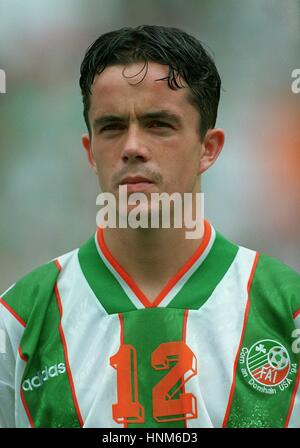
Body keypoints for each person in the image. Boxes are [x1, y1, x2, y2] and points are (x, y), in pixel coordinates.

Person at [0, 25, 299, 429]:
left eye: (159, 124)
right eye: (112, 126)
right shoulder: (17, 319)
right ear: (90, 151)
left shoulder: (287, 310)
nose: (132, 147)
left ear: (208, 149)